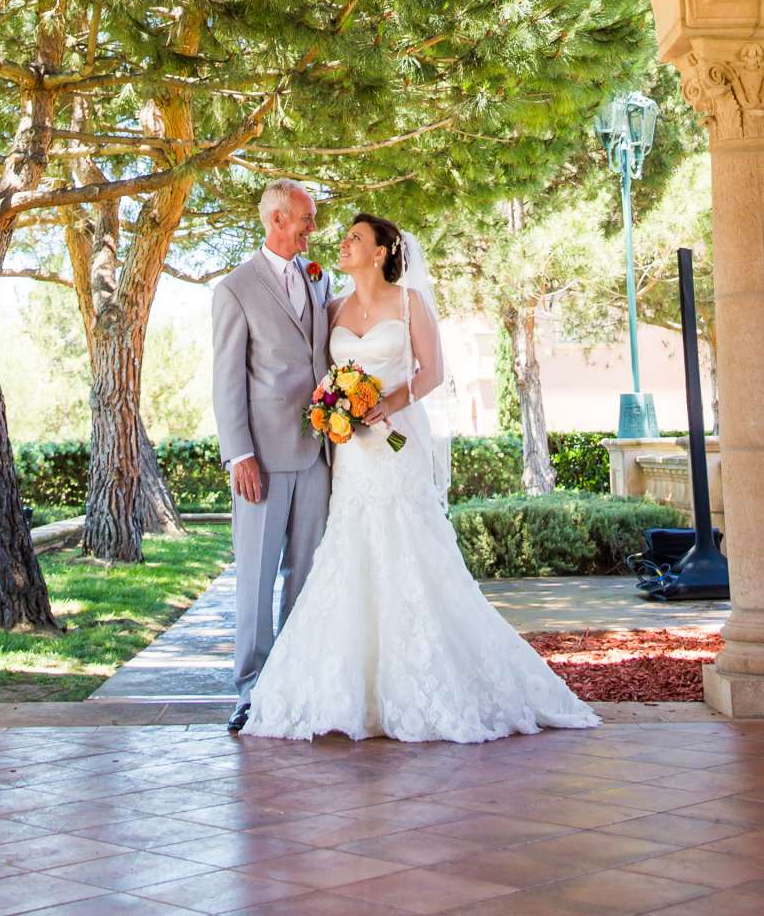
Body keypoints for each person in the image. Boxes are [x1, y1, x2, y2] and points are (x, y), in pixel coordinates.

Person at [244, 211, 598, 742]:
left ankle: (430, 683)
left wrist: (383, 402)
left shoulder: (410, 303)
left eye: (355, 239)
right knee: (352, 550)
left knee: (409, 549)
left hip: (398, 440)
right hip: (353, 453)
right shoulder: (333, 307)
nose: (342, 244)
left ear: (382, 251)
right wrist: (334, 407)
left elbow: (432, 371)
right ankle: (354, 692)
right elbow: (323, 375)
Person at [210, 179, 334, 734]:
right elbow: (226, 380)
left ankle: (295, 682)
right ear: (277, 220)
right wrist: (239, 455)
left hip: (318, 456)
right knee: (256, 579)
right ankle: (250, 690)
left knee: (306, 575)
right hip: (261, 457)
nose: (314, 228)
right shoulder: (235, 289)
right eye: (306, 219)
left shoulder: (319, 277)